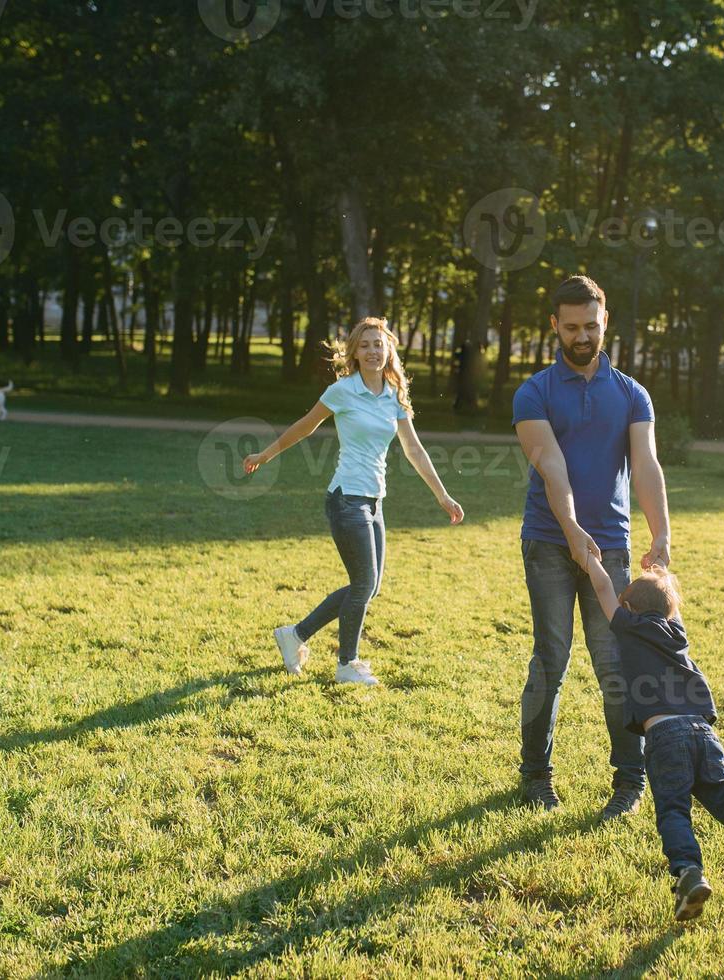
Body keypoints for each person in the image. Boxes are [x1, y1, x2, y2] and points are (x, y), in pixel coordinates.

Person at [512, 274, 672, 821]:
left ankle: (630, 782)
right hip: (549, 546)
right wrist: (573, 531)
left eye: (592, 326)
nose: (582, 336)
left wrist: (662, 533)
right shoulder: (534, 392)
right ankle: (535, 777)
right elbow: (551, 467)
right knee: (550, 660)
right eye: (572, 326)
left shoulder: (631, 394)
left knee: (617, 667)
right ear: (555, 325)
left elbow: (646, 464)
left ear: (607, 324)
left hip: (613, 550)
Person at [580, 556, 724, 921]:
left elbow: (604, 588)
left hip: (665, 735)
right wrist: (661, 570)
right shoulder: (677, 632)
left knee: (673, 809)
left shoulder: (628, 627)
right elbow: (668, 605)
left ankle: (689, 872)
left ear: (630, 609)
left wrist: (591, 560)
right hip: (703, 732)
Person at [244, 317, 464, 685]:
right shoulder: (343, 391)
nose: (373, 351)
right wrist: (265, 456)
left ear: (389, 349)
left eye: (379, 344)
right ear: (355, 353)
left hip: (374, 501)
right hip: (346, 498)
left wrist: (442, 495)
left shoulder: (393, 394)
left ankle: (294, 635)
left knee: (369, 586)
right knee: (363, 584)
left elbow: (414, 448)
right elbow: (305, 425)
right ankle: (347, 664)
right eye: (365, 345)